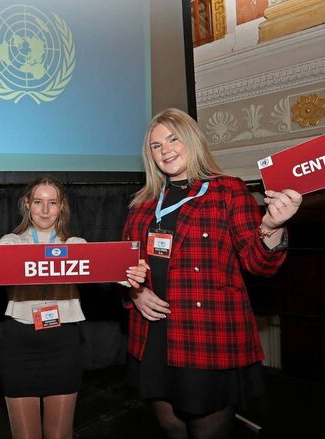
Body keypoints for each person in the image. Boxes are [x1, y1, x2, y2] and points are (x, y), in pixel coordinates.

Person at [122, 108, 302, 439]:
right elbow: (124, 267)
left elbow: (258, 263)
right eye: (156, 146)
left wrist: (272, 228)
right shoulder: (143, 203)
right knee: (169, 425)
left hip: (207, 334)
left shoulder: (228, 191)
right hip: (153, 336)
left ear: (191, 139)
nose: (166, 151)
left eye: (173, 139)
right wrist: (136, 293)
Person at [0, 175, 147, 439]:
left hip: (63, 345)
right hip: (19, 346)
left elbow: (111, 266)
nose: (45, 210)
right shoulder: (10, 243)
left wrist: (130, 270)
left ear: (62, 207)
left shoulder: (75, 246)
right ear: (27, 204)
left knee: (59, 435)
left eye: (52, 202)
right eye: (38, 202)